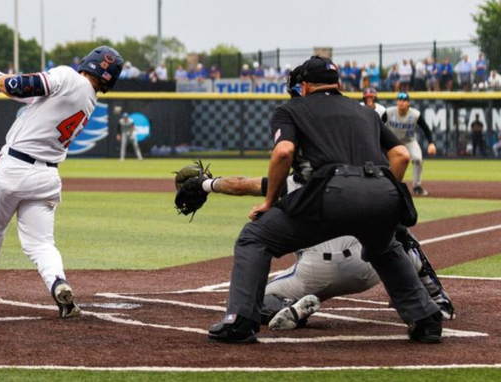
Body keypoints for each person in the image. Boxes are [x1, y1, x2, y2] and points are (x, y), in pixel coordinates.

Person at [208, 56, 442, 344]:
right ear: (338, 84)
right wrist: (378, 191)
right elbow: (401, 156)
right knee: (383, 246)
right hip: (383, 191)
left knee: (254, 238)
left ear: (305, 86)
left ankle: (240, 322)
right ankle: (426, 319)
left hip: (331, 192)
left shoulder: (291, 108)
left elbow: (283, 153)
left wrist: (269, 202)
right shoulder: (364, 112)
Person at [0, 46, 125, 319]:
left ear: (89, 62)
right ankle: (57, 283)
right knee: (41, 244)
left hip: (12, 169)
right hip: (46, 178)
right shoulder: (88, 100)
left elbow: (21, 86)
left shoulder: (66, 76)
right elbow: (29, 95)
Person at [190, 172, 454, 330]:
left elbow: (238, 184)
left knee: (250, 300)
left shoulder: (289, 181)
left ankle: (292, 309)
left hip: (312, 275)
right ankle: (438, 299)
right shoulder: (355, 182)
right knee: (402, 239)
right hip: (368, 265)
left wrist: (207, 184)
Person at [385, 92, 436, 196]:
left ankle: (417, 187)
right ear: (396, 102)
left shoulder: (415, 114)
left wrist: (431, 143)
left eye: (404, 100)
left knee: (417, 159)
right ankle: (389, 187)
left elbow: (426, 129)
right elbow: (378, 125)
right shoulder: (389, 112)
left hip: (409, 141)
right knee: (385, 163)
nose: (401, 102)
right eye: (399, 100)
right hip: (393, 142)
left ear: (409, 103)